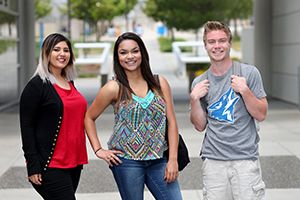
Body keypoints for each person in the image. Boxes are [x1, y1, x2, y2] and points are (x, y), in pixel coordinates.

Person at [84, 32, 183, 200]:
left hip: (159, 159)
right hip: (127, 162)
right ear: (117, 57)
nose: (130, 56)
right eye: (123, 52)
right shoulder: (113, 88)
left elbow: (171, 122)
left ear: (142, 53)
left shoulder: (160, 83)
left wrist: (172, 159)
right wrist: (98, 149)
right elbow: (89, 117)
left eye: (134, 51)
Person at [190, 21, 268, 200]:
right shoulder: (200, 82)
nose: (217, 46)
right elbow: (200, 125)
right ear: (205, 45)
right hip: (213, 161)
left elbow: (261, 114)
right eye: (212, 42)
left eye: (222, 40)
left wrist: (245, 91)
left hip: (245, 160)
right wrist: (194, 99)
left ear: (229, 43)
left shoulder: (249, 73)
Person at [19, 33, 88, 200]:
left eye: (66, 50)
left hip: (74, 162)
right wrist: (33, 166)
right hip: (51, 164)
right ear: (46, 53)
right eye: (56, 49)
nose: (62, 54)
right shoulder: (36, 85)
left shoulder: (68, 81)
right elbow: (27, 126)